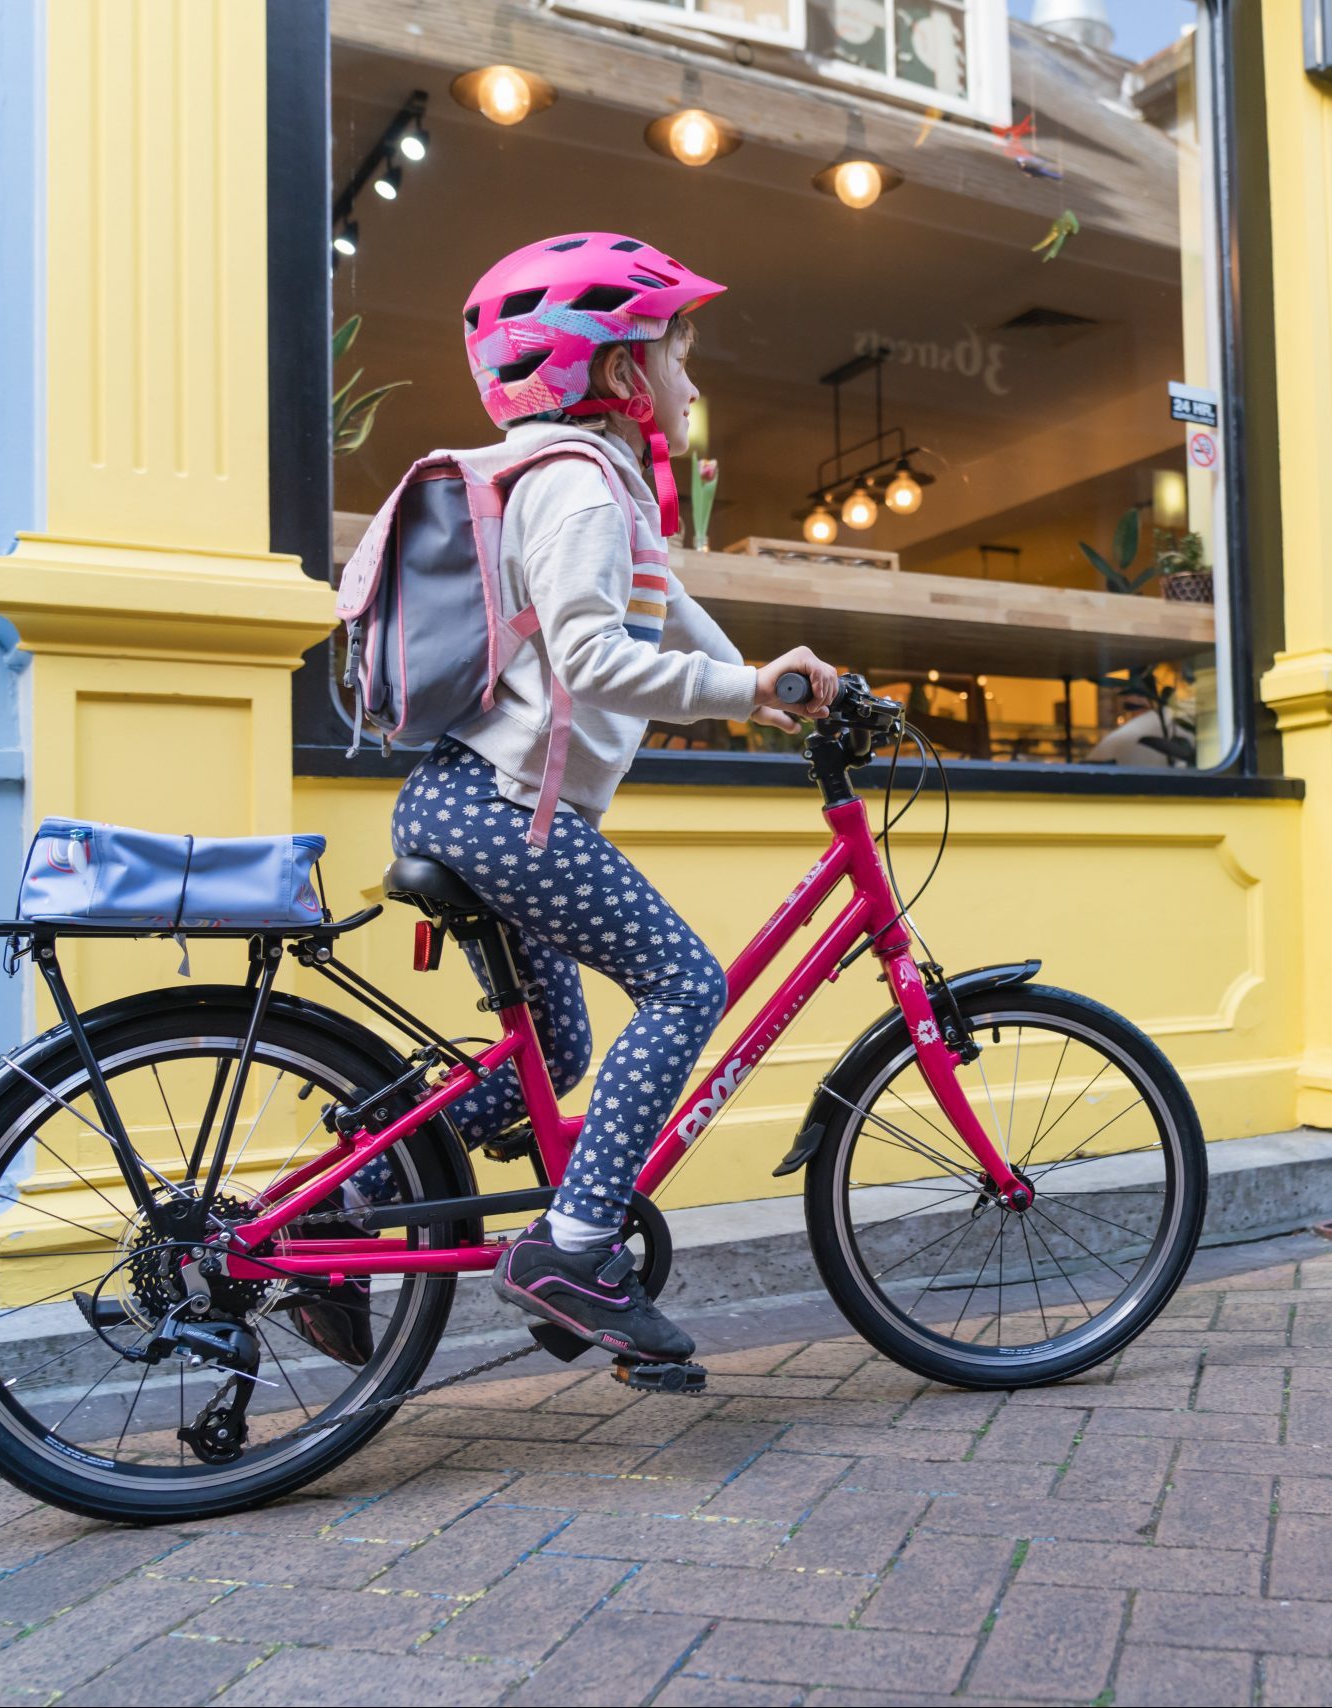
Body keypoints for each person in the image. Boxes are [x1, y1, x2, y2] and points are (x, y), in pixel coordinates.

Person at [303, 234, 836, 1371]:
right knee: (685, 983)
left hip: (468, 804)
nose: (692, 382)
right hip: (498, 812)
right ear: (621, 369)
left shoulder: (590, 489)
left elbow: (676, 613)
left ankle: (336, 1207)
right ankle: (575, 1249)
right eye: (679, 355)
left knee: (555, 1044)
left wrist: (791, 688)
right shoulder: (578, 486)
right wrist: (746, 691)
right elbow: (593, 657)